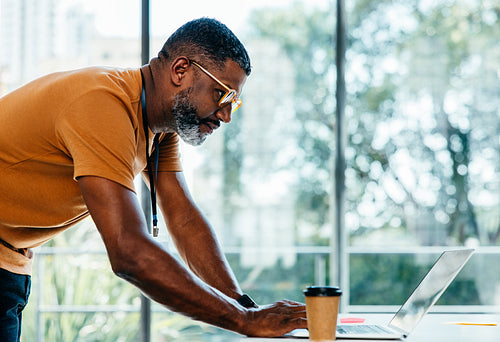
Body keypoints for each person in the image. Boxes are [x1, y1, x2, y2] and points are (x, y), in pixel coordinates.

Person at [0, 18, 307, 341]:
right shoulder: (103, 103)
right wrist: (244, 320)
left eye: (233, 100)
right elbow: (128, 251)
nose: (226, 114)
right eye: (221, 94)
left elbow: (184, 219)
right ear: (180, 70)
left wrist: (244, 307)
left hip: (11, 263)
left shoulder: (158, 131)